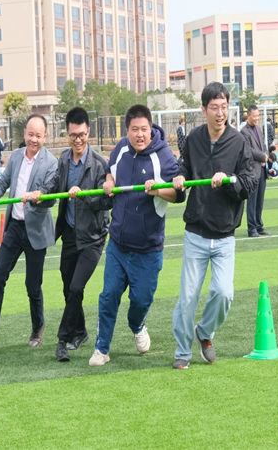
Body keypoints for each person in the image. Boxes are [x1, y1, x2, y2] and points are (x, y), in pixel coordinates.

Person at [88, 104, 184, 366]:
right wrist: (109, 181)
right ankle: (101, 349)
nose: (140, 134)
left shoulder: (163, 156)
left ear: (151, 129)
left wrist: (158, 190)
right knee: (108, 296)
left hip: (148, 249)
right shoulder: (121, 148)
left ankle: (138, 325)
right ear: (127, 130)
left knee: (140, 301)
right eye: (134, 130)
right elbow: (110, 169)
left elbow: (179, 195)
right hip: (118, 244)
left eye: (144, 129)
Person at [171, 81, 256, 370]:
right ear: (203, 110)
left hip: (224, 235)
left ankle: (204, 332)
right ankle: (182, 351)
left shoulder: (239, 142)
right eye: (214, 108)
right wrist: (180, 177)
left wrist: (229, 180)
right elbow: (184, 167)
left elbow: (248, 183)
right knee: (187, 298)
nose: (220, 113)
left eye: (224, 107)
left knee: (223, 293)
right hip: (195, 232)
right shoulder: (193, 139)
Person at [0, 115, 58, 351]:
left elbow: (51, 198)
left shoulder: (51, 163)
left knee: (32, 286)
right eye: (30, 134)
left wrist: (39, 197)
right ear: (25, 134)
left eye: (38, 136)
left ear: (45, 137)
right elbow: (2, 183)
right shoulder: (17, 156)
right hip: (15, 227)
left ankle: (38, 327)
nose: (34, 139)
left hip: (36, 230)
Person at [43, 107, 112, 362]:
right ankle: (80, 332)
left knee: (75, 287)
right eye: (73, 135)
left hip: (93, 238)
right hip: (70, 235)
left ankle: (62, 339)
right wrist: (40, 195)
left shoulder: (100, 164)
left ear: (88, 132)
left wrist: (83, 195)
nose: (78, 140)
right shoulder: (63, 159)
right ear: (67, 134)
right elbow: (54, 186)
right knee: (68, 288)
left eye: (82, 135)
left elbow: (107, 201)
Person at [241, 104, 269, 237]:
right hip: (252, 171)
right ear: (248, 116)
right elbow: (248, 151)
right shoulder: (244, 132)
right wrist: (262, 156)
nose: (257, 118)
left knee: (260, 200)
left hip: (262, 170)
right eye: (255, 116)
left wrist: (266, 155)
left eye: (258, 116)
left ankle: (259, 225)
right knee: (252, 201)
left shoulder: (258, 128)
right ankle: (251, 228)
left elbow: (263, 145)